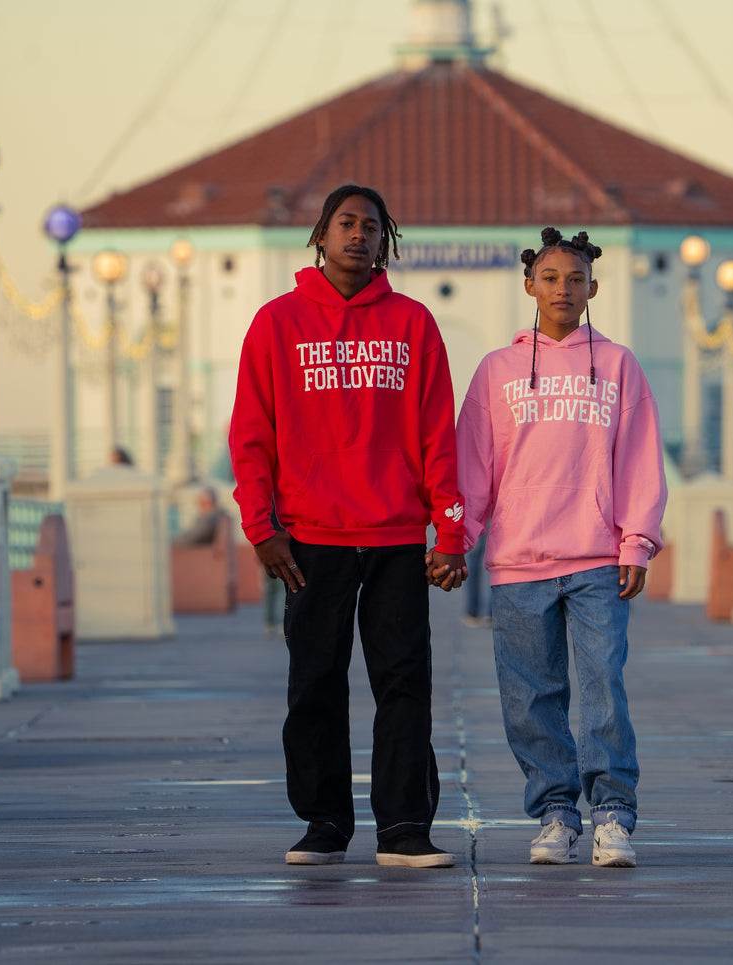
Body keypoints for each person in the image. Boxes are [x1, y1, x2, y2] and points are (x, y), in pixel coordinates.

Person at [229, 184, 467, 869]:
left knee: (403, 681)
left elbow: (436, 437)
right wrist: (261, 526)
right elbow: (250, 435)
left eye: (371, 227)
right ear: (320, 236)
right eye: (346, 223)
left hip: (395, 535)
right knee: (314, 681)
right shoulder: (276, 323)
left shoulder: (413, 324)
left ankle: (402, 827)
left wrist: (448, 531)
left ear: (384, 242)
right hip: (309, 537)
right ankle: (325, 821)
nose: (359, 235)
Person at [456, 227, 667, 868]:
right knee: (531, 696)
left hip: (597, 558)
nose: (562, 289)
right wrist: (456, 538)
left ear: (593, 289)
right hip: (518, 560)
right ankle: (554, 813)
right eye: (550, 278)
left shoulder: (621, 365)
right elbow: (474, 464)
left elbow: (638, 459)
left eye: (575, 279)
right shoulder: (497, 369)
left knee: (602, 686)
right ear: (529, 286)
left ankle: (611, 817)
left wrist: (637, 540)